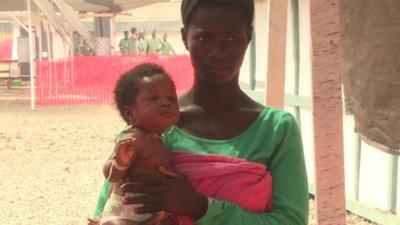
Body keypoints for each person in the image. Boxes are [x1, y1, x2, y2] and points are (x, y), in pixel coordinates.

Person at [92, 0, 309, 224]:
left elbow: (292, 220)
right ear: (186, 37)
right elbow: (108, 209)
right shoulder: (152, 123)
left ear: (249, 36)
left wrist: (200, 206)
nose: (218, 52)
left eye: (232, 38)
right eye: (204, 38)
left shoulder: (276, 129)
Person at [98, 63, 181, 225]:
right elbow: (110, 175)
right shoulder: (133, 139)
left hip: (150, 212)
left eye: (172, 98)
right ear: (130, 114)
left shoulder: (161, 139)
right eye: (153, 99)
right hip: (124, 211)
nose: (166, 103)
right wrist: (120, 163)